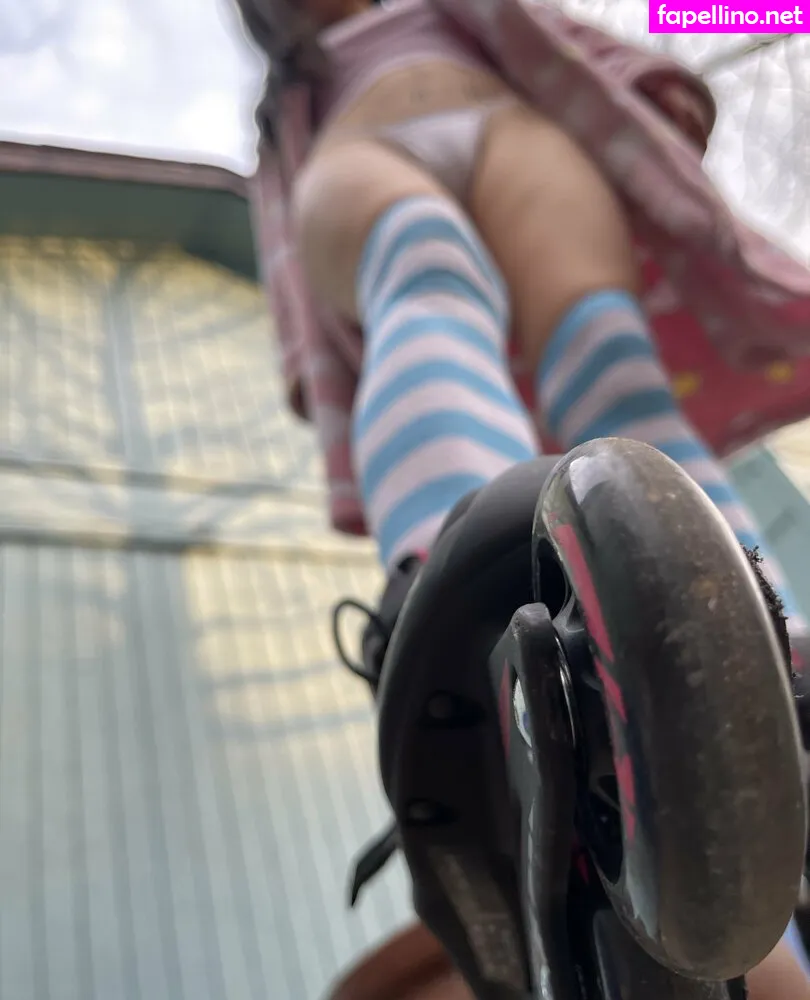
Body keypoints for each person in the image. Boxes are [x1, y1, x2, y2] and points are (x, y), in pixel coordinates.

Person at [233, 0, 810, 992]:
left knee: (607, 350)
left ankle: (757, 638)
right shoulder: (293, 97)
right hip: (363, 153)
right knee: (421, 284)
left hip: (514, 125)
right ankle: (461, 605)